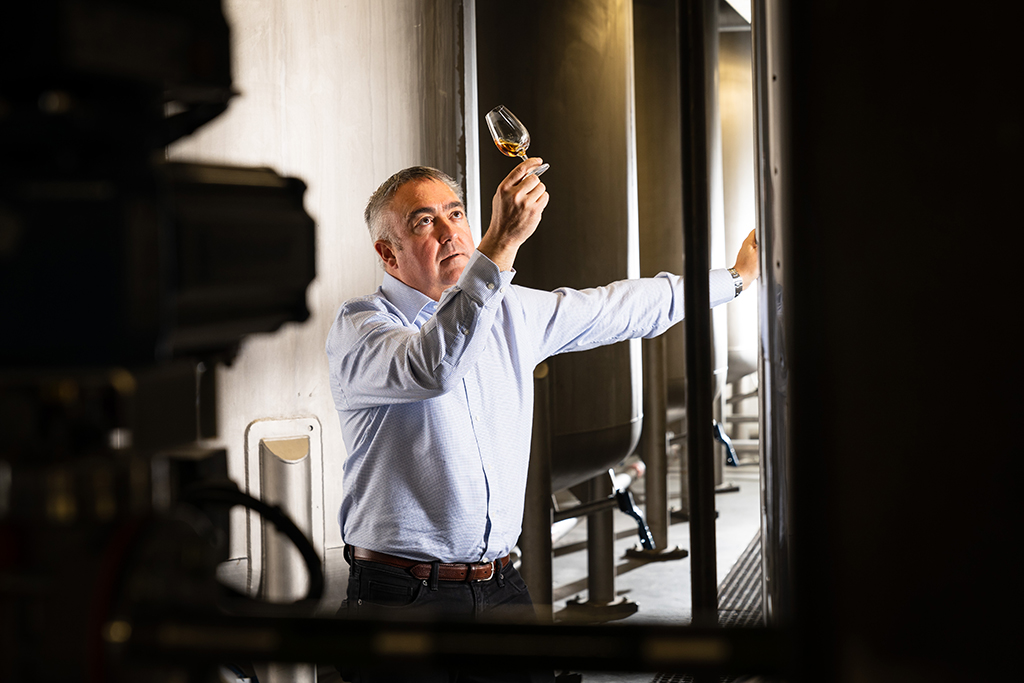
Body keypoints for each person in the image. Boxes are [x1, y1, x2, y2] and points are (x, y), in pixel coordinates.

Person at [326, 159, 759, 682]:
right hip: (401, 599)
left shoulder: (509, 312)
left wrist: (736, 279)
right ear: (387, 253)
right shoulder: (361, 328)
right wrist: (500, 245)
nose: (449, 232)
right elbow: (433, 365)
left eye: (455, 213)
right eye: (424, 221)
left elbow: (620, 307)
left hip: (502, 586)